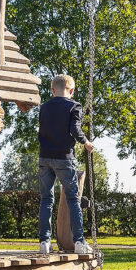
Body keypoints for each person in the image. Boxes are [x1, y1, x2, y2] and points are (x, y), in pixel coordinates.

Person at [37, 74, 94, 254]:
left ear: (53, 90)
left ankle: (44, 243)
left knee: (46, 199)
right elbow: (74, 129)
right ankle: (79, 242)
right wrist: (86, 142)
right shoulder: (73, 106)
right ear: (72, 90)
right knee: (73, 200)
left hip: (44, 157)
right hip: (64, 157)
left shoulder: (44, 107)